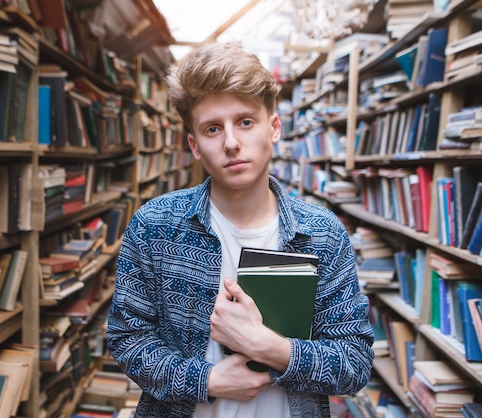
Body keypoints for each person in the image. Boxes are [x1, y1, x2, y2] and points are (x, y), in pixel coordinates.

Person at [107, 42, 374, 417]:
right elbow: (127, 339)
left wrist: (268, 347)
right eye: (213, 129)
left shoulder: (323, 234)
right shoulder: (155, 225)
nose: (231, 143)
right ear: (194, 145)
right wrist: (208, 380)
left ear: (274, 127)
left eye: (245, 122)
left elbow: (355, 362)